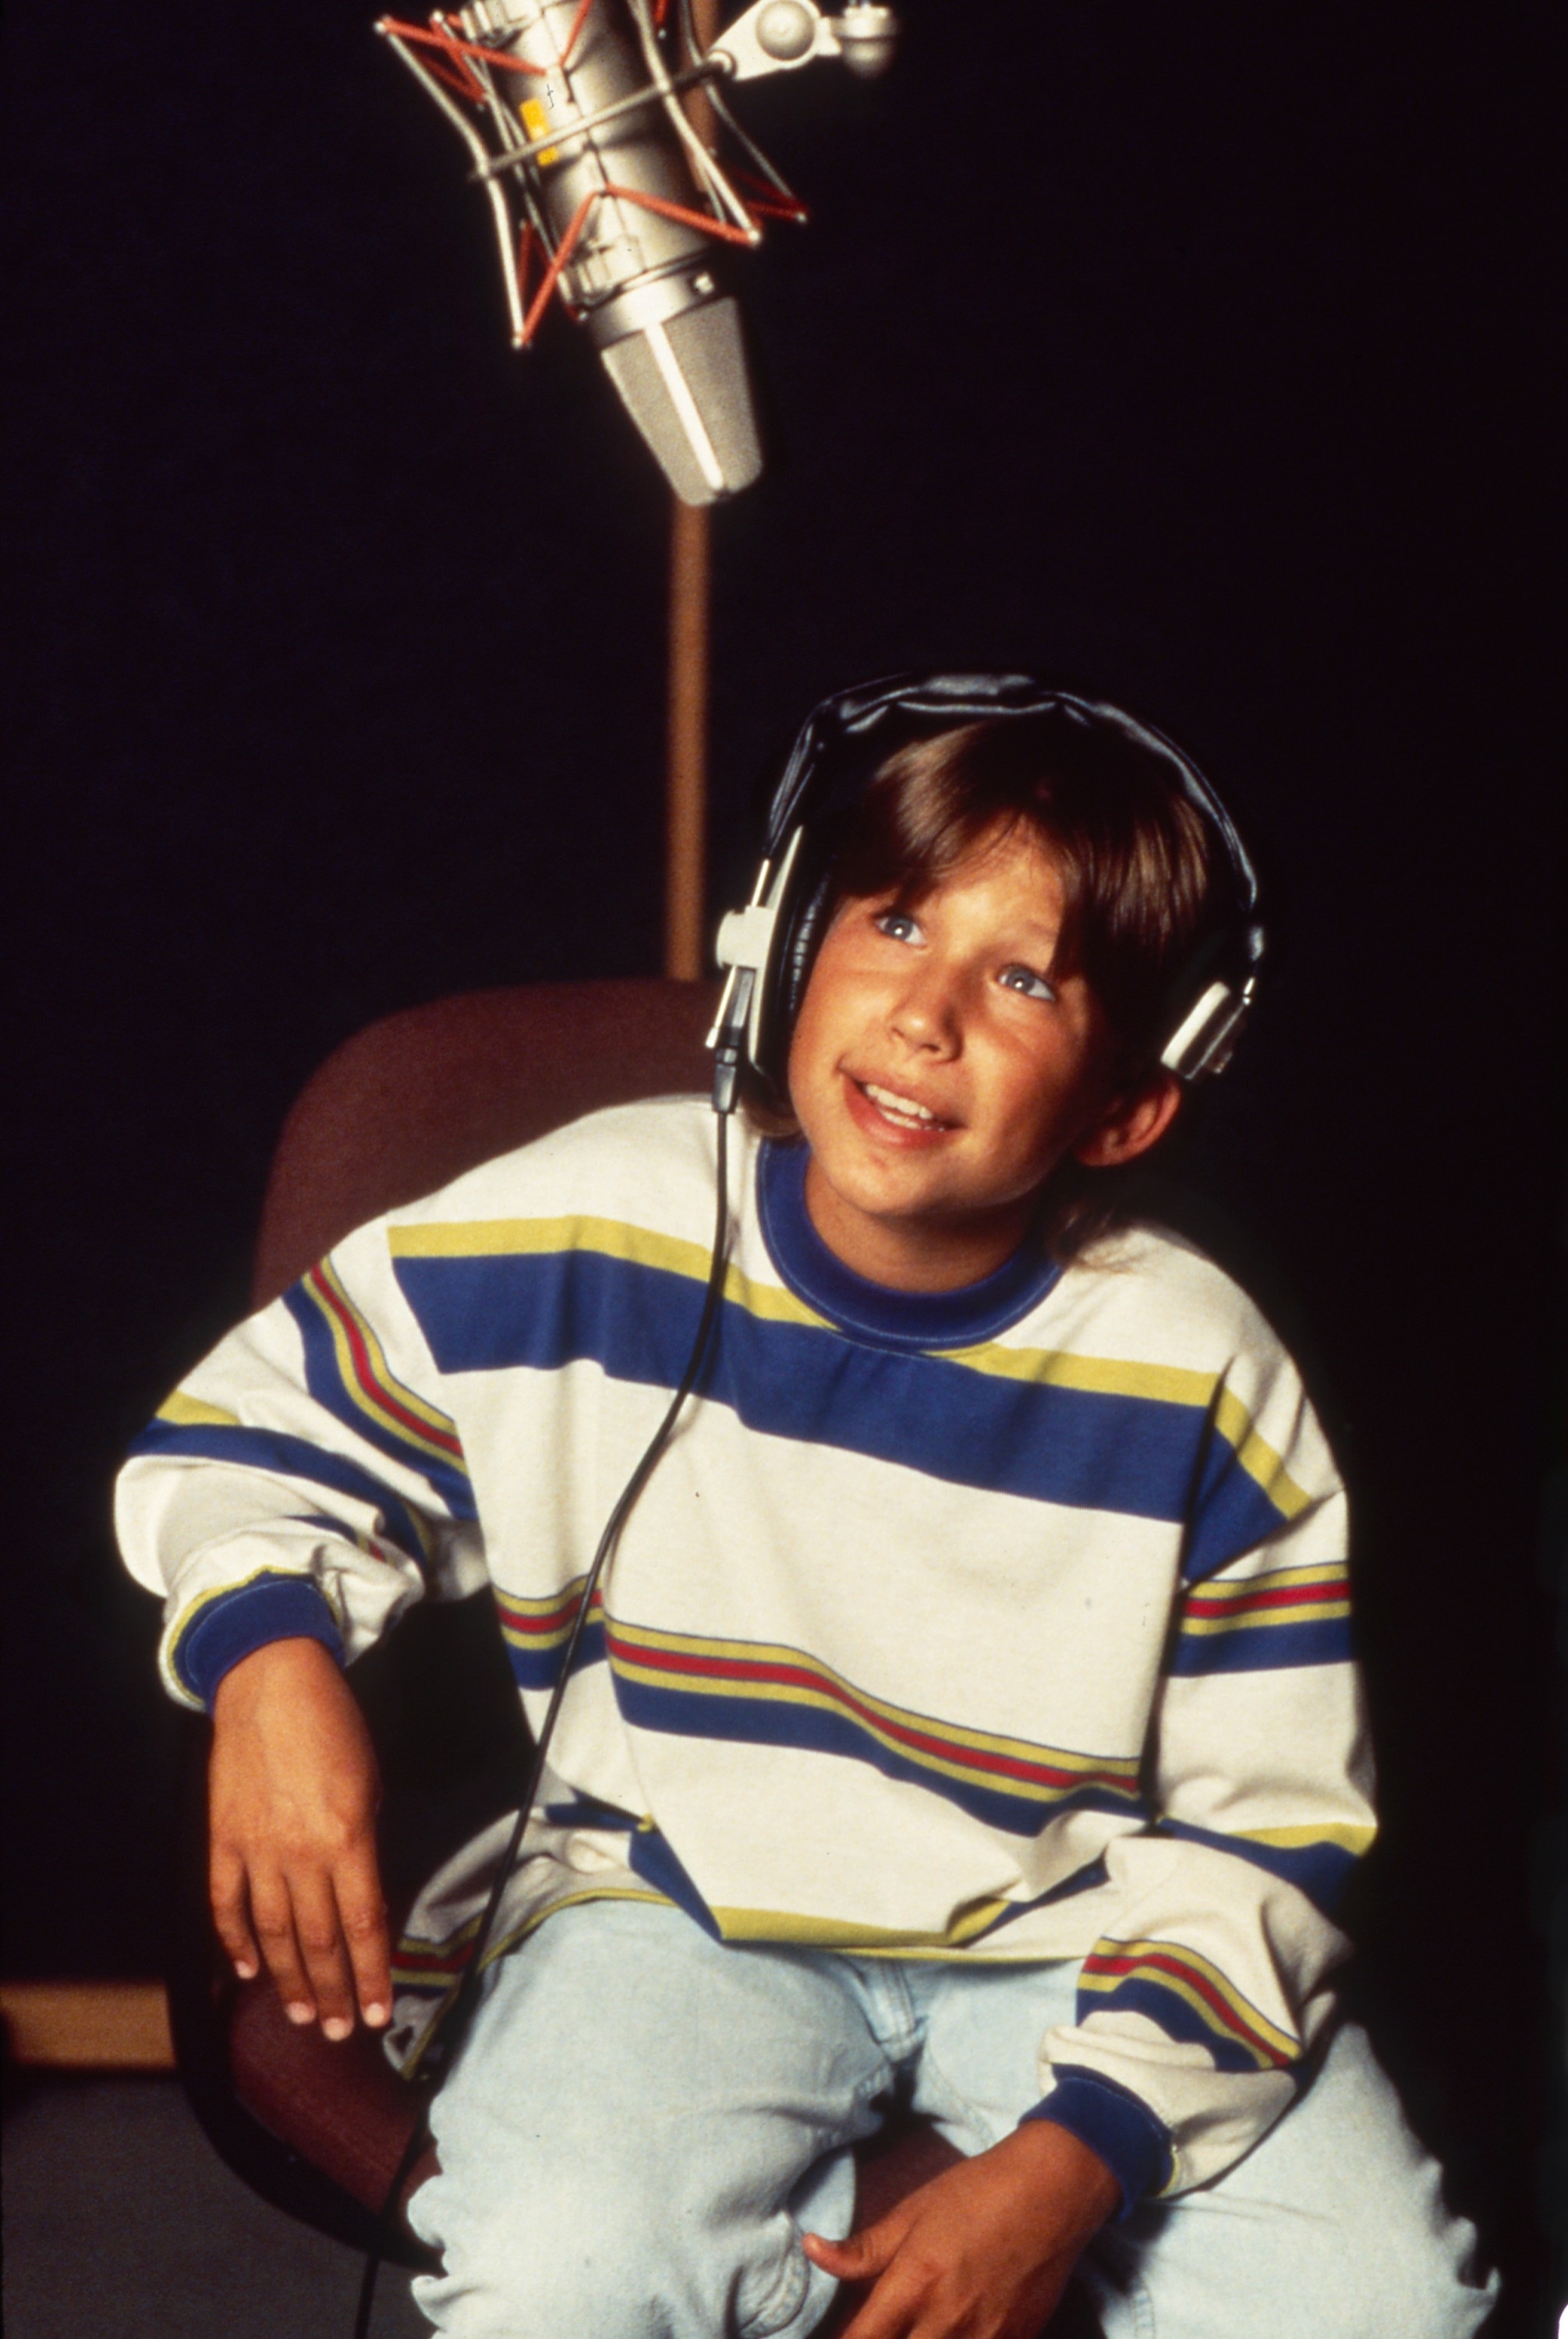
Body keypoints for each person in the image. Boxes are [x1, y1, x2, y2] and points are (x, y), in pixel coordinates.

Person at [117, 681, 1498, 2339]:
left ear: (1127, 1104)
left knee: (1385, 2305)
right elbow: (249, 1443)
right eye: (897, 922)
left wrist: (1073, 2160)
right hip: (669, 1900)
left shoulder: (1200, 1366)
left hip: (1077, 1924)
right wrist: (272, 1664)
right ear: (778, 948)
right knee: (565, 2270)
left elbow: (1262, 1829)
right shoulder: (595, 1212)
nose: (927, 1017)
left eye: (1022, 978)